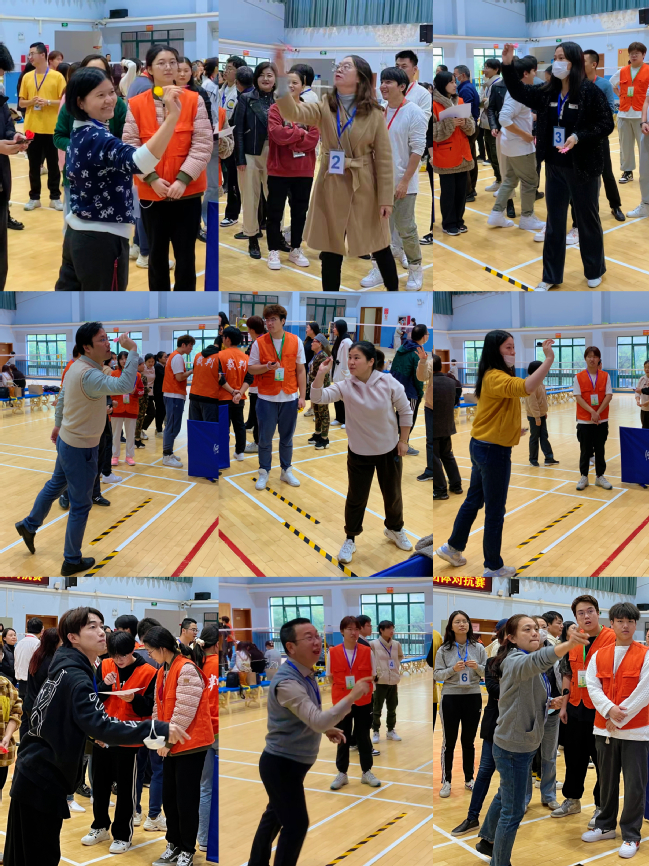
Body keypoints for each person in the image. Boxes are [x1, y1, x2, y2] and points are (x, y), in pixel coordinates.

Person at [5, 608, 187, 866]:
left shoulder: (69, 668)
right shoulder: (76, 675)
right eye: (92, 627)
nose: (101, 632)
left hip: (36, 771)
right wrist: (155, 729)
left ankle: (118, 832)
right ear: (73, 637)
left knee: (24, 856)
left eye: (101, 625)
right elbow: (99, 723)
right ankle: (102, 826)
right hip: (42, 777)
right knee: (37, 857)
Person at [247, 618, 372, 866]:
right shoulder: (288, 682)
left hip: (291, 765)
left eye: (317, 636)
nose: (317, 642)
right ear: (291, 647)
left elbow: (307, 717)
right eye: (309, 637)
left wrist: (325, 729)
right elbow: (316, 719)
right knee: (296, 824)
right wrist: (353, 696)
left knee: (275, 816)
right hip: (281, 765)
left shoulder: (305, 673)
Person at [15, 326, 139, 575]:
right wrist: (133, 350)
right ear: (87, 347)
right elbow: (125, 384)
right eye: (102, 340)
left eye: (107, 338)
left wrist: (57, 424)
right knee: (81, 506)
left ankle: (29, 525)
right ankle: (71, 559)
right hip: (81, 447)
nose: (108, 343)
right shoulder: (89, 374)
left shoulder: (77, 366)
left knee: (55, 485)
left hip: (68, 440)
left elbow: (62, 397)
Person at [273, 47, 398, 292]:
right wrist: (280, 76)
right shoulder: (324, 105)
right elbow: (291, 111)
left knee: (380, 246)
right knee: (331, 251)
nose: (339, 69)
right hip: (331, 183)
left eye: (346, 66)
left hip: (364, 185)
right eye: (338, 66)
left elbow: (384, 159)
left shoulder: (374, 113)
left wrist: (386, 198)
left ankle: (394, 294)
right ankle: (331, 298)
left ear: (360, 77)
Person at [53, 67, 185, 291]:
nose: (110, 100)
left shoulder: (81, 130)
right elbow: (140, 162)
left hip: (79, 235)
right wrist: (172, 117)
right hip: (102, 240)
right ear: (80, 102)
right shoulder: (96, 137)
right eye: (100, 95)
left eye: (111, 92)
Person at [436, 332, 556, 576]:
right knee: (495, 510)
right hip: (493, 452)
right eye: (508, 347)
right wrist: (549, 359)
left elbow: (494, 410)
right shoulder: (495, 376)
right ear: (495, 350)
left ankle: (453, 547)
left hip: (482, 445)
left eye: (513, 347)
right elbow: (526, 387)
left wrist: (512, 429)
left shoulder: (493, 375)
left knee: (474, 500)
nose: (513, 351)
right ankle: (492, 566)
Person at [473, 616, 589, 864]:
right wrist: (569, 645)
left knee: (506, 793)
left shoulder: (526, 660)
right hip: (513, 747)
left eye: (536, 628)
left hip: (520, 743)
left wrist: (548, 703)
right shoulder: (515, 660)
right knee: (513, 811)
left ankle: (487, 840)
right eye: (527, 629)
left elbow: (523, 698)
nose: (535, 632)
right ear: (511, 638)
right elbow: (537, 661)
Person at [500, 42, 614, 291]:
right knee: (554, 222)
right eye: (555, 57)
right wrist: (507, 64)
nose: (557, 62)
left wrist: (579, 136)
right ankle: (551, 275)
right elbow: (519, 91)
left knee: (587, 220)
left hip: (582, 166)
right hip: (554, 165)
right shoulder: (548, 91)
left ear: (574, 61)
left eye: (562, 57)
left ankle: (594, 269)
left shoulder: (589, 91)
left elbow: (606, 124)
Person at [311, 342, 413, 564]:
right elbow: (318, 398)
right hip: (359, 452)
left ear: (370, 361)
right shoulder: (346, 385)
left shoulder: (388, 382)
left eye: (356, 357)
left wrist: (404, 440)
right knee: (356, 498)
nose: (351, 362)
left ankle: (395, 529)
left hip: (388, 450)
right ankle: (350, 538)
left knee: (393, 495)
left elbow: (405, 411)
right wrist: (320, 374)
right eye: (350, 357)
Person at [123, 44, 212, 291]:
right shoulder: (136, 104)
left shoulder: (194, 100)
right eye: (161, 63)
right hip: (153, 193)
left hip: (187, 192)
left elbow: (203, 144)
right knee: (156, 256)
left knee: (186, 256)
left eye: (172, 62)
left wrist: (183, 179)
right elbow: (130, 146)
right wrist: (151, 178)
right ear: (149, 69)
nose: (168, 67)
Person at [580, 602, 647, 858]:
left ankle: (631, 835)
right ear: (612, 624)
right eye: (620, 621)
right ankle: (605, 825)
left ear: (635, 624)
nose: (625, 625)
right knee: (606, 781)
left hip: (636, 732)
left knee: (634, 785)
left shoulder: (645, 654)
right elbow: (593, 687)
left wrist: (617, 718)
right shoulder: (600, 655)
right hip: (604, 729)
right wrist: (609, 711)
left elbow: (644, 691)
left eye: (630, 621)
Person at [143, 626, 215, 866]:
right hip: (171, 744)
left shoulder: (186, 669)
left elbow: (184, 712)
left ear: (163, 648)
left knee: (186, 800)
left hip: (190, 745)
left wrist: (167, 742)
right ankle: (173, 844)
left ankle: (187, 850)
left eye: (151, 651)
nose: (149, 655)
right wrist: (157, 740)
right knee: (170, 798)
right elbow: (158, 707)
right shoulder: (162, 670)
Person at [82, 629, 158, 854]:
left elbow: (150, 707)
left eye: (122, 655)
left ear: (132, 650)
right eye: (114, 656)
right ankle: (99, 826)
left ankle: (123, 835)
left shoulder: (149, 672)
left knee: (126, 791)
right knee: (100, 786)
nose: (118, 660)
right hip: (104, 735)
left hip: (129, 739)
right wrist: (104, 686)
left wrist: (134, 699)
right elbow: (93, 698)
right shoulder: (105, 665)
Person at [551, 594, 616, 822]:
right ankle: (572, 800)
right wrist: (563, 705)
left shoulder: (612, 638)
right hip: (575, 706)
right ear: (576, 617)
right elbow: (567, 673)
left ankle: (601, 806)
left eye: (590, 611)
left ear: (598, 613)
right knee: (573, 757)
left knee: (601, 761)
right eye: (581, 613)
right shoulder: (573, 639)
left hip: (601, 709)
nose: (586, 616)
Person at [362, 67, 426, 291]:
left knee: (406, 228)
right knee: (378, 229)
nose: (383, 86)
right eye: (382, 81)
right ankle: (379, 269)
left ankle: (416, 269)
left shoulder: (414, 112)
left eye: (388, 82)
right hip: (378, 182)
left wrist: (404, 182)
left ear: (402, 86)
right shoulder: (380, 111)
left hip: (402, 182)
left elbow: (417, 150)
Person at [451, 621, 504, 834]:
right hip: (494, 725)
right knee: (484, 772)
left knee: (512, 778)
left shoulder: (528, 663)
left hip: (518, 728)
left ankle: (508, 817)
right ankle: (472, 817)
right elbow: (494, 689)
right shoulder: (493, 661)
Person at [246, 303, 306, 491]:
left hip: (289, 398)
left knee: (287, 438)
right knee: (264, 439)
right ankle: (264, 471)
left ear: (283, 321)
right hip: (266, 399)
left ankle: (286, 470)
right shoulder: (259, 343)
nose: (269, 323)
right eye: (267, 320)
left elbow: (301, 370)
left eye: (273, 319)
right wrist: (266, 367)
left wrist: (303, 396)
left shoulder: (296, 341)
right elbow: (251, 368)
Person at [265, 65, 319, 271]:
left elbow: (313, 139)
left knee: (299, 212)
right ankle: (273, 250)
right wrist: (299, 133)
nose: (290, 86)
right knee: (275, 212)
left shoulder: (310, 110)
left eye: (295, 82)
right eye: (286, 83)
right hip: (278, 170)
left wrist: (292, 138)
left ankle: (296, 248)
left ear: (303, 86)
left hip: (304, 170)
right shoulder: (275, 109)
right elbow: (276, 134)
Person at [487, 57, 545, 233]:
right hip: (519, 146)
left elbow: (518, 114)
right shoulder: (516, 95)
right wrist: (525, 134)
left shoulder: (518, 91)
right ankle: (527, 217)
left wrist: (533, 117)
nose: (535, 74)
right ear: (526, 73)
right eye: (534, 71)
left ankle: (496, 213)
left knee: (510, 180)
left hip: (511, 145)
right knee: (530, 181)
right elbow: (504, 118)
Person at [435, 611, 486, 798]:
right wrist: (452, 669)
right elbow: (437, 674)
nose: (462, 624)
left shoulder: (478, 648)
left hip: (472, 696)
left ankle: (469, 779)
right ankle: (446, 781)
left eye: (465, 621)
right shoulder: (444, 650)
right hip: (451, 697)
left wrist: (477, 667)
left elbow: (487, 671)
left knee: (468, 741)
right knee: (449, 742)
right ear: (451, 626)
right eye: (457, 622)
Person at [328, 616, 379, 791]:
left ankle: (367, 772)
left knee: (363, 736)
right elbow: (330, 677)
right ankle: (342, 773)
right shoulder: (333, 652)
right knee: (342, 736)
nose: (353, 632)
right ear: (342, 631)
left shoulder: (367, 651)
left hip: (363, 701)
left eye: (356, 629)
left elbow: (373, 675)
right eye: (349, 629)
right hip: (342, 702)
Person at [232, 61, 277, 259]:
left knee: (275, 198)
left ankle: (276, 237)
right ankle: (252, 237)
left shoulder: (281, 100)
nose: (265, 79)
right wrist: (240, 158)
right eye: (262, 75)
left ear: (275, 79)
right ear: (256, 78)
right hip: (250, 154)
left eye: (269, 75)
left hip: (275, 155)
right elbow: (238, 131)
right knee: (250, 198)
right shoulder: (245, 98)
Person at [18, 42, 65, 213]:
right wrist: (32, 101)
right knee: (34, 165)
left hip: (52, 128)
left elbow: (63, 101)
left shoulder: (57, 77)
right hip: (32, 128)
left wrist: (48, 102)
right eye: (29, 54)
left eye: (32, 54)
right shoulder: (27, 77)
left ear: (43, 55)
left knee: (53, 166)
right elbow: (21, 103)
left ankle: (55, 197)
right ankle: (34, 197)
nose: (29, 57)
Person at [580, 50, 625, 222]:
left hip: (598, 136)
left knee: (606, 172)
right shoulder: (578, 83)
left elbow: (610, 109)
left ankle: (615, 205)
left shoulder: (604, 84)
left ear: (594, 64)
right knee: (585, 175)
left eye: (584, 61)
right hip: (581, 138)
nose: (580, 64)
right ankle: (591, 208)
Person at [432, 70, 475, 236]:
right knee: (448, 193)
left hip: (463, 154)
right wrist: (450, 123)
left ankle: (459, 220)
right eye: (451, 82)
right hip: (446, 155)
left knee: (461, 192)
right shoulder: (434, 104)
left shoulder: (460, 101)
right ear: (442, 84)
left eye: (454, 81)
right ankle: (448, 223)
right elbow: (432, 133)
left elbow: (471, 128)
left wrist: (465, 123)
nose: (454, 85)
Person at [574, 345, 613, 491]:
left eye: (595, 356)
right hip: (584, 420)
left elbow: (609, 395)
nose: (592, 359)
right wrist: (592, 412)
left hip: (601, 419)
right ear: (585, 358)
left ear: (599, 359)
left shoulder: (605, 376)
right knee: (585, 450)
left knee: (600, 449)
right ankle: (584, 476)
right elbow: (578, 397)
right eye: (589, 356)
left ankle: (600, 477)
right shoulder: (578, 377)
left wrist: (598, 413)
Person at [195, 626, 219, 854]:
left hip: (202, 731)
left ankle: (203, 839)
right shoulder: (215, 663)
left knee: (205, 788)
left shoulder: (196, 663)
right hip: (216, 732)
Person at [611, 42, 649, 183]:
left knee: (645, 147)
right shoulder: (622, 71)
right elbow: (611, 84)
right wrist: (620, 95)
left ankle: (646, 173)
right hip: (624, 114)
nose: (633, 56)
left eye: (636, 53)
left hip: (642, 116)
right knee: (625, 146)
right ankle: (627, 172)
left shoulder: (648, 70)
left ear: (643, 55)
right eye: (631, 53)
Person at [389, 322, 429, 454]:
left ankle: (394, 442)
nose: (428, 336)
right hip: (409, 391)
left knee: (396, 417)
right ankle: (402, 444)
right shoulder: (418, 352)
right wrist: (420, 392)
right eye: (427, 334)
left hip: (395, 388)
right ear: (424, 336)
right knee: (408, 419)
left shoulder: (402, 348)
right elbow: (419, 376)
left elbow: (393, 368)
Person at [219, 56, 248, 228]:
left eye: (230, 68)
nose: (226, 71)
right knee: (227, 177)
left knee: (234, 180)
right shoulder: (221, 89)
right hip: (221, 139)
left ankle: (232, 214)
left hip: (234, 140)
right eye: (226, 67)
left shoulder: (241, 94)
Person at [216, 327, 251, 460]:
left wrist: (232, 391)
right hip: (239, 399)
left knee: (223, 427)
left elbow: (220, 378)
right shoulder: (246, 357)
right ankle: (240, 452)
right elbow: (249, 378)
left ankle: (223, 454)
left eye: (223, 337)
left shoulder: (219, 356)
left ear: (228, 339)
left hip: (223, 397)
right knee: (239, 425)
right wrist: (239, 393)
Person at [19, 627, 58, 742]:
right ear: (54, 643)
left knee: (30, 737)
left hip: (31, 702)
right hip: (39, 707)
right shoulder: (50, 662)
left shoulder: (38, 656)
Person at [431, 352, 462, 497]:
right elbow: (456, 401)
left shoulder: (431, 384)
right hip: (447, 425)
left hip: (434, 427)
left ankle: (440, 490)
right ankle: (456, 485)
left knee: (434, 458)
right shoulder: (451, 382)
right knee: (447, 456)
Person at [162, 334, 195, 468]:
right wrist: (192, 371)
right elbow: (179, 377)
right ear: (183, 345)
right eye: (190, 345)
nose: (191, 348)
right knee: (172, 427)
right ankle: (166, 456)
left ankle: (169, 452)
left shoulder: (175, 356)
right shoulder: (177, 357)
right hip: (174, 395)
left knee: (173, 426)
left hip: (174, 395)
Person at [371, 620, 404, 744]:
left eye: (393, 628)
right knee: (377, 708)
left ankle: (390, 730)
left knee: (392, 707)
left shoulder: (396, 644)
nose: (392, 631)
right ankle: (375, 731)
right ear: (381, 630)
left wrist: (395, 667)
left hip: (393, 680)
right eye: (389, 628)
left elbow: (400, 656)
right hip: (380, 681)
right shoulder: (373, 644)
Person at [110, 350, 144, 466]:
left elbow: (142, 391)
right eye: (121, 359)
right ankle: (115, 456)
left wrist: (135, 391)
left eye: (126, 358)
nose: (124, 361)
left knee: (130, 434)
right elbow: (109, 389)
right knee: (116, 435)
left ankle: (129, 456)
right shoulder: (114, 374)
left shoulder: (137, 375)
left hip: (131, 408)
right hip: (117, 408)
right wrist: (112, 401)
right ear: (118, 361)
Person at [525, 359, 559, 467]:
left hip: (541, 415)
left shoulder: (539, 382)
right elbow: (532, 403)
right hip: (534, 416)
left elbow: (542, 399)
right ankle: (533, 459)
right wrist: (537, 417)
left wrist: (543, 412)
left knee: (544, 436)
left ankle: (549, 458)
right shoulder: (530, 383)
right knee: (534, 438)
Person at [453, 65, 480, 201]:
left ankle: (468, 191)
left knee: (466, 160)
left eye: (455, 76)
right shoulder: (468, 87)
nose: (454, 79)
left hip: (468, 127)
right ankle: (471, 189)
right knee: (471, 158)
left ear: (462, 75)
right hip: (472, 126)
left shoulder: (465, 89)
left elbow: (465, 112)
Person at [243, 315, 266, 453]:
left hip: (258, 385)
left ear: (251, 329)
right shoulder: (264, 340)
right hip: (260, 385)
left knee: (258, 416)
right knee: (258, 416)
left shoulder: (258, 343)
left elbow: (253, 365)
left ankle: (258, 443)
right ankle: (260, 441)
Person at [307, 333, 332, 450]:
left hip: (322, 389)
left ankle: (325, 438)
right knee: (317, 411)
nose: (312, 343)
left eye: (314, 341)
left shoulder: (323, 356)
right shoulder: (316, 355)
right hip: (315, 388)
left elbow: (323, 375)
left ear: (320, 343)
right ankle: (317, 434)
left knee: (323, 413)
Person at [188, 338, 219, 423]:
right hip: (210, 398)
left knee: (196, 427)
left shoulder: (198, 355)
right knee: (210, 428)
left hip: (194, 396)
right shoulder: (219, 357)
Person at [330, 319, 353, 428]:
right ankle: (339, 418)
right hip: (337, 371)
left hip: (344, 373)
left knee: (345, 398)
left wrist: (348, 371)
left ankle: (347, 420)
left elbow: (350, 357)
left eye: (335, 327)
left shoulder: (347, 341)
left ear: (340, 328)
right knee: (337, 396)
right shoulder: (338, 340)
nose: (333, 329)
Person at [14, 618, 43, 699]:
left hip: (20, 682)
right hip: (32, 683)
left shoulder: (19, 643)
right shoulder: (38, 644)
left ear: (27, 629)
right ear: (42, 630)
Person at [416, 345, 433, 483]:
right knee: (431, 441)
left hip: (444, 408)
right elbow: (421, 377)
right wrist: (422, 361)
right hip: (430, 407)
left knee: (445, 444)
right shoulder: (431, 363)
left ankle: (453, 479)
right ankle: (431, 470)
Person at [153, 350, 167, 436]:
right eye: (165, 357)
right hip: (158, 392)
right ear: (159, 358)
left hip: (163, 392)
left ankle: (159, 429)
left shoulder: (163, 366)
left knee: (163, 411)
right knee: (159, 411)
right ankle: (159, 429)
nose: (166, 358)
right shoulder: (158, 367)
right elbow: (165, 376)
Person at [635, 359, 649, 427]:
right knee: (644, 428)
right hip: (644, 409)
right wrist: (638, 400)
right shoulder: (642, 379)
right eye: (645, 367)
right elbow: (637, 391)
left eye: (648, 367)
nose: (647, 369)